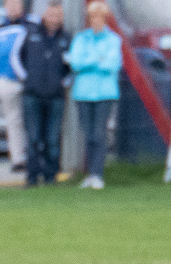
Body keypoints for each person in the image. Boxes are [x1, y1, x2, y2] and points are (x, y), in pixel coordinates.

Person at [67, 1, 121, 189]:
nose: (96, 21)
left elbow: (112, 65)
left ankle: (98, 173)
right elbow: (75, 63)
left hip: (105, 93)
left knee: (98, 133)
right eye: (93, 18)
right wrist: (98, 58)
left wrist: (88, 61)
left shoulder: (113, 39)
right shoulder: (81, 38)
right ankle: (91, 174)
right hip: (82, 93)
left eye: (99, 18)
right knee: (89, 135)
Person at [18, 1, 70, 186]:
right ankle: (32, 176)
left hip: (56, 96)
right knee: (33, 137)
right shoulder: (31, 35)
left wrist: (63, 82)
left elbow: (72, 65)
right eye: (51, 15)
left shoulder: (66, 38)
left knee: (52, 138)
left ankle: (50, 176)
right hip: (32, 94)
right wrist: (27, 78)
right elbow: (16, 57)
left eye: (58, 16)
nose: (54, 19)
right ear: (45, 16)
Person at [0, 0, 33, 171]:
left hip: (28, 81)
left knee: (31, 119)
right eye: (10, 4)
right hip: (7, 80)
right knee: (13, 120)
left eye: (17, 4)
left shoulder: (31, 25)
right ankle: (18, 158)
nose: (14, 8)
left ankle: (32, 156)